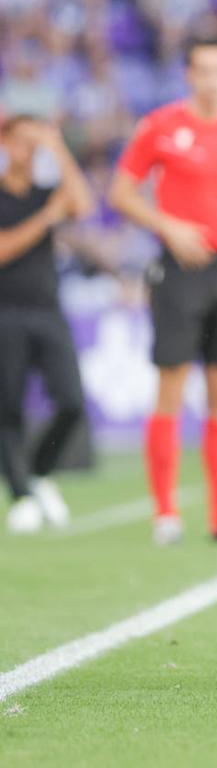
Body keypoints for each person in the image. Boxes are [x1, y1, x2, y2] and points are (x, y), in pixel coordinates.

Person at [109, 35, 217, 546]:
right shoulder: (160, 126)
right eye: (204, 70)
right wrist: (168, 227)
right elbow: (119, 192)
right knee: (171, 389)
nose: (214, 79)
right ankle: (166, 513)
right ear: (189, 75)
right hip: (177, 271)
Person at [0, 116, 93, 533]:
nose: (26, 150)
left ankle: (37, 474)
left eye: (31, 143)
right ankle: (19, 494)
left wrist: (57, 146)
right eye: (20, 142)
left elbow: (83, 205)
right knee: (8, 409)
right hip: (6, 312)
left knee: (71, 402)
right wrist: (46, 219)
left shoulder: (44, 192)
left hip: (48, 310)